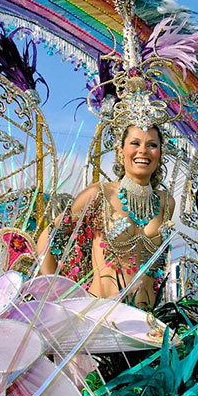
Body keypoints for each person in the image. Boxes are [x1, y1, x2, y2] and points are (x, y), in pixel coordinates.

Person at [37, 124, 175, 309]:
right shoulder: (99, 194)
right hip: (99, 317)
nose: (143, 150)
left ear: (160, 153)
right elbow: (48, 238)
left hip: (146, 320)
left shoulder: (167, 202)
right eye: (135, 143)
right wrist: (55, 297)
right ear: (121, 151)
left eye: (152, 145)